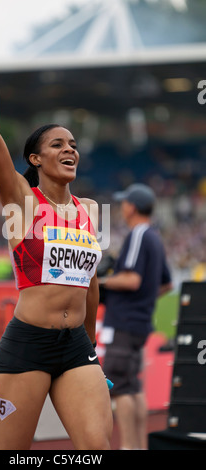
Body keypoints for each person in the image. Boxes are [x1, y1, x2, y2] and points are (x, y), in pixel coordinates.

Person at [0, 11, 113, 450]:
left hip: (76, 347)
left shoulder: (90, 210)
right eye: (58, 144)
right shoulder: (22, 201)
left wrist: (91, 344)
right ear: (36, 159)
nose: (70, 149)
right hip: (27, 346)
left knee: (97, 449)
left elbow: (90, 284)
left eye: (74, 144)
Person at [98, 183, 172, 450]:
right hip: (139, 322)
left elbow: (131, 279)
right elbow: (166, 284)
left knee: (120, 387)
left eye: (123, 203)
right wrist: (144, 300)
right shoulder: (154, 236)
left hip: (124, 321)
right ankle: (138, 446)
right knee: (134, 386)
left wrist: (101, 282)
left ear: (131, 206)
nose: (121, 208)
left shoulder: (138, 235)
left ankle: (129, 446)